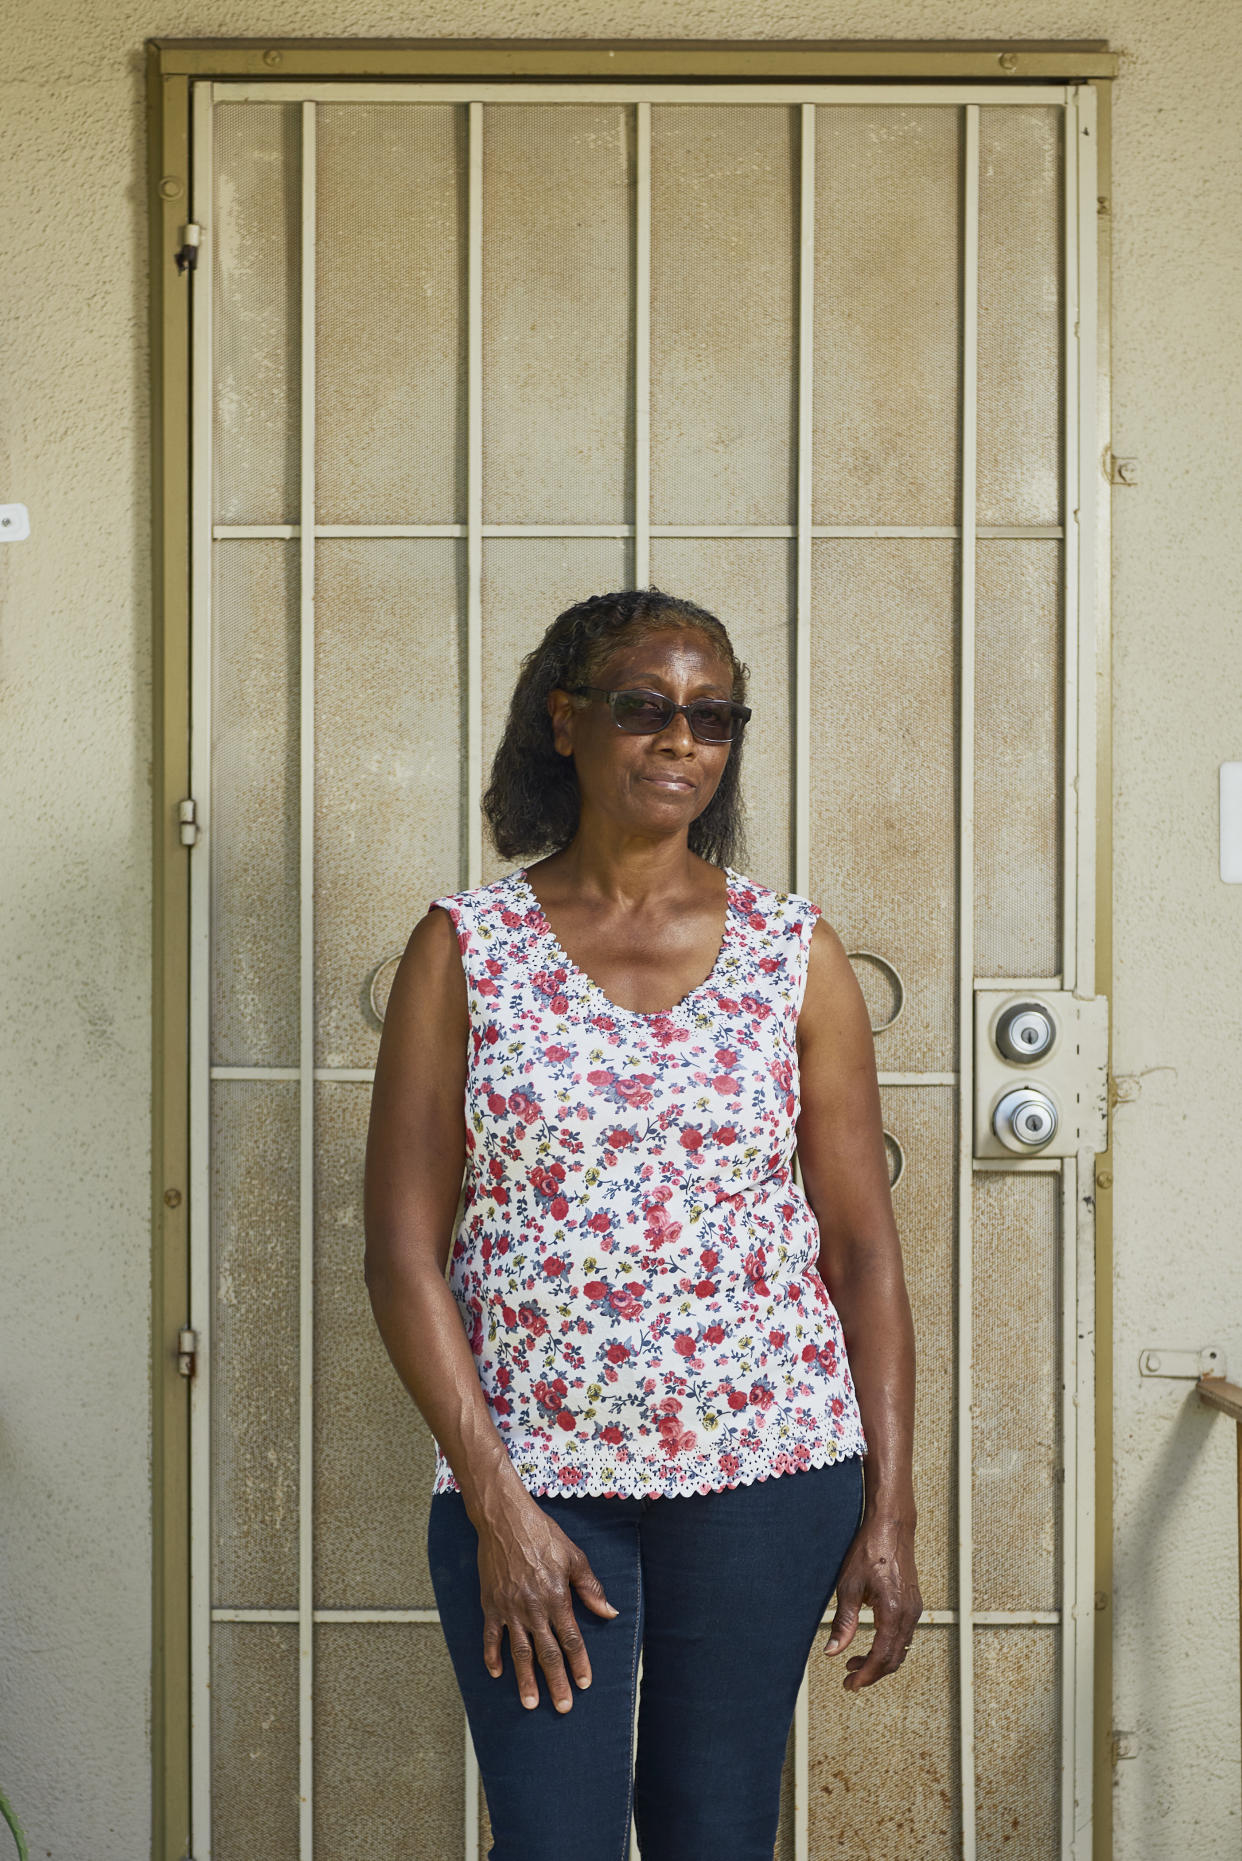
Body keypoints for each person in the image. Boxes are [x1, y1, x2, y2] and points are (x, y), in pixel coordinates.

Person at [364, 587, 921, 1861]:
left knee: (713, 1835)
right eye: (646, 709)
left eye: (713, 717)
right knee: (552, 1841)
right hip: (540, 1485)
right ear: (565, 723)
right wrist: (497, 1505)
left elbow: (862, 1250)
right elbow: (403, 1252)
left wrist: (890, 1511)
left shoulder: (794, 952)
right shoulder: (467, 948)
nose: (682, 741)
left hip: (769, 1470)